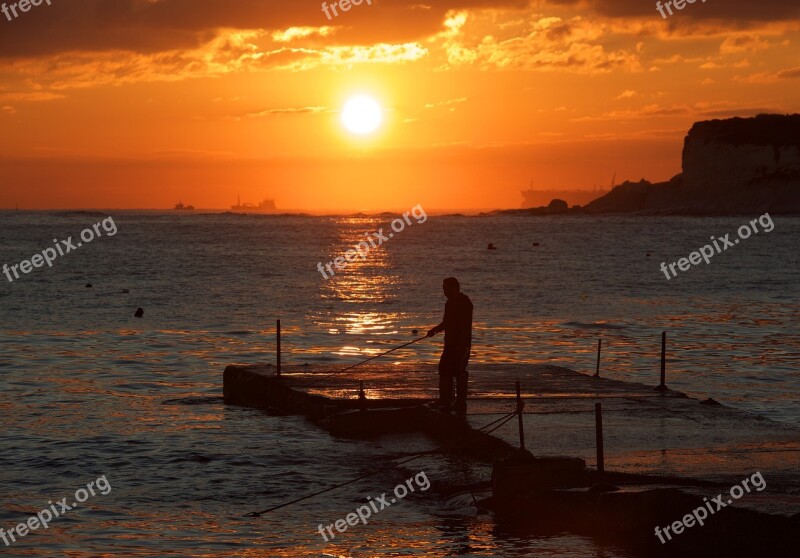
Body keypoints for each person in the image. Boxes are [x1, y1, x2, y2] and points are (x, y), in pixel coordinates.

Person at [427, 277, 473, 415]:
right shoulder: (449, 303)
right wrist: (434, 330)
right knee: (444, 369)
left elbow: (465, 326)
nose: (444, 291)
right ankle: (445, 400)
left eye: (446, 288)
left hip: (461, 344)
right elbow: (446, 322)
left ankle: (460, 402)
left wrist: (461, 346)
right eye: (443, 288)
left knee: (459, 372)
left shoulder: (465, 303)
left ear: (455, 287)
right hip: (449, 344)